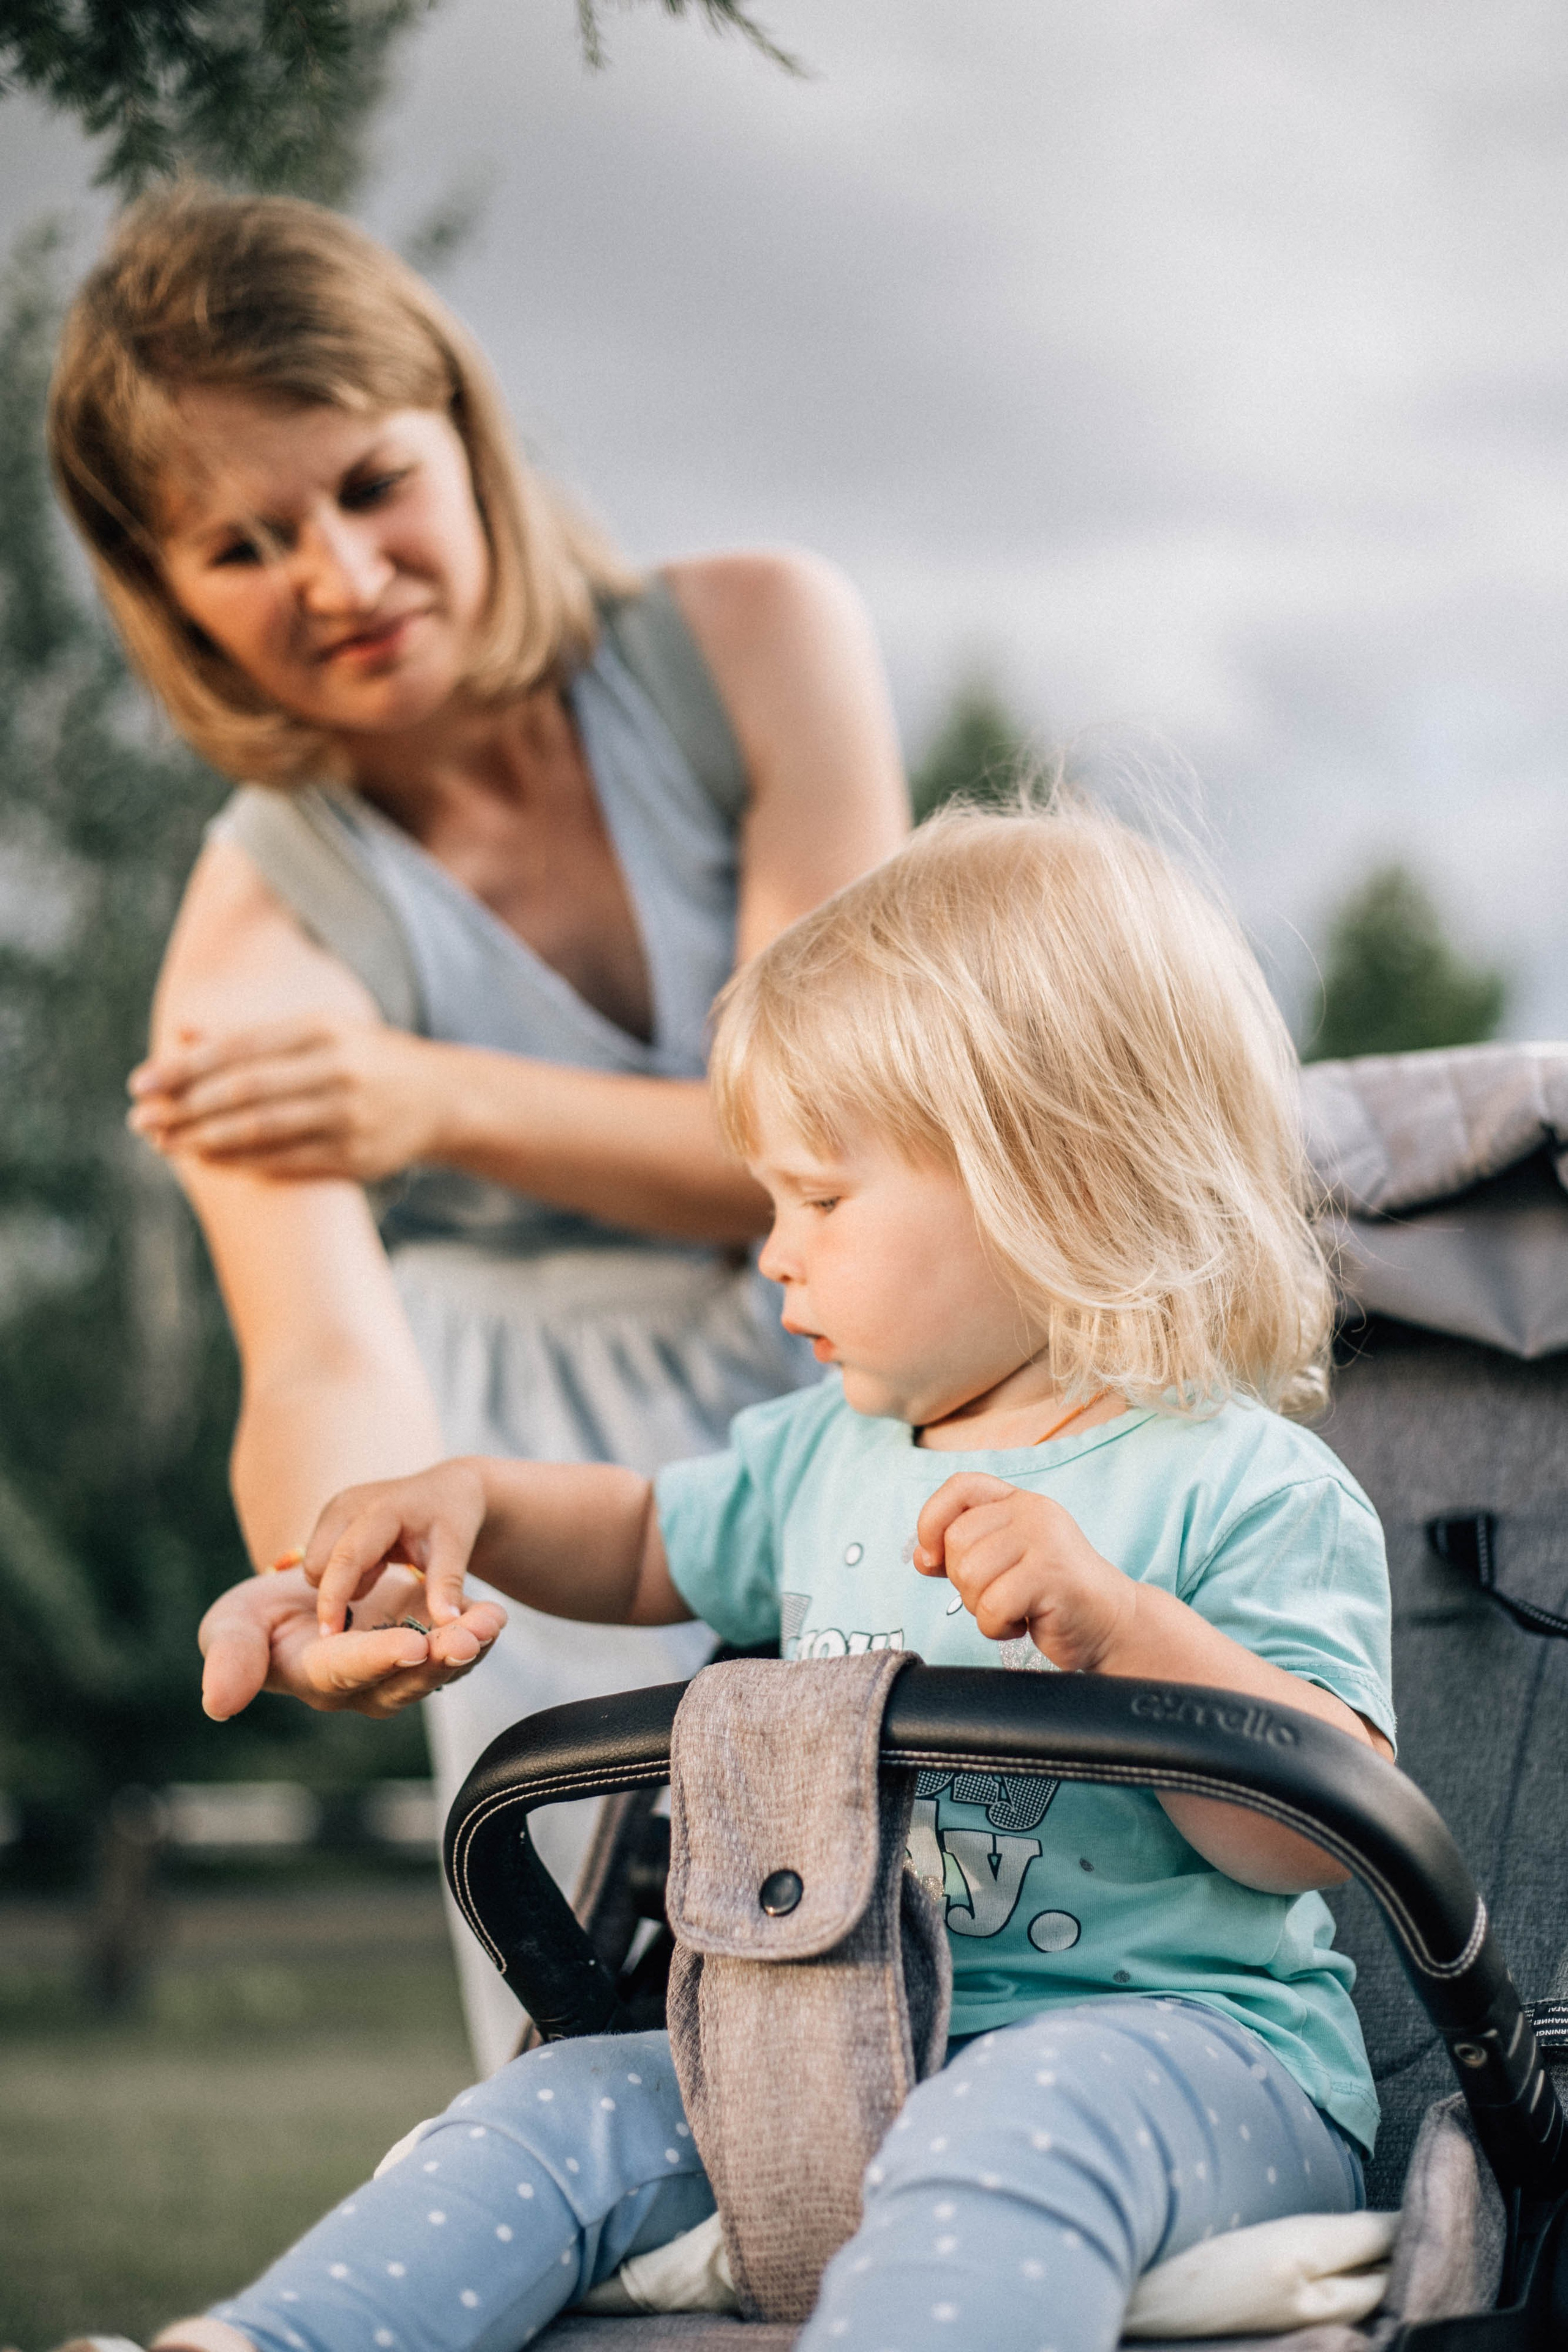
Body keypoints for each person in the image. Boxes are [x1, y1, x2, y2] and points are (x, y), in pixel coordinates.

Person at [131, 798, 1395, 2352]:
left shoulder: (1243, 1483)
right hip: (834, 2043)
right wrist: (462, 1500)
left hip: (1189, 2058)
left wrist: (1122, 1628)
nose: (770, 1251)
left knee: (1014, 2116)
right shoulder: (826, 1453)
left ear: (1046, 1179)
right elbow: (640, 1536)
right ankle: (270, 2341)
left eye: (820, 1198)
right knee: (551, 2113)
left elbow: (1313, 1839)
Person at [48, 188, 908, 2070]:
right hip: (526, 1487)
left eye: (366, 483)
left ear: (460, 425)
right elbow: (324, 1353)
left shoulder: (756, 641)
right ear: (165, 588)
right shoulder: (258, 934)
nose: (337, 578)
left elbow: (833, 1142)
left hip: (877, 1366)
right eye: (243, 542)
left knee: (979, 1925)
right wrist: (339, 1572)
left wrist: (432, 1099)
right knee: (642, 2051)